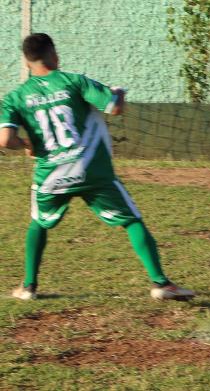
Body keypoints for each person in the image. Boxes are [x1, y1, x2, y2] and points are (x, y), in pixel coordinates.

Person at [0, 33, 194, 301]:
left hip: (51, 175)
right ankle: (161, 283)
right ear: (53, 55)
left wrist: (25, 144)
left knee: (38, 224)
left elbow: (4, 140)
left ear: (26, 62)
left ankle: (28, 287)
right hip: (90, 169)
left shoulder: (16, 97)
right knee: (131, 220)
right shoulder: (73, 81)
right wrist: (119, 93)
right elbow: (114, 108)